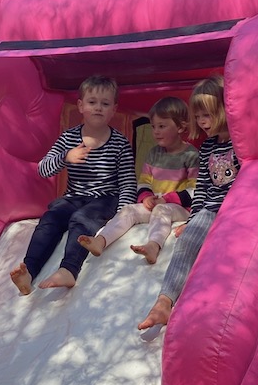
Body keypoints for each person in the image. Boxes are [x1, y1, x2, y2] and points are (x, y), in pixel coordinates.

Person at [10, 75, 137, 294]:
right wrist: (65, 157)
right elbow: (43, 169)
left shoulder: (119, 143)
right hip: (75, 196)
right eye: (92, 102)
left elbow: (127, 181)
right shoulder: (68, 138)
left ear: (114, 109)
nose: (98, 108)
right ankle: (29, 271)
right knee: (51, 218)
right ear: (80, 106)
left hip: (105, 198)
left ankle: (69, 269)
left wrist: (122, 214)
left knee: (81, 219)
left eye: (105, 103)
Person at [137, 75, 240, 330]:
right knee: (186, 242)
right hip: (210, 210)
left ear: (225, 109)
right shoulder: (207, 148)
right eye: (198, 116)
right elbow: (202, 188)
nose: (203, 121)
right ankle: (164, 302)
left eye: (208, 115)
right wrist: (193, 220)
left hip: (235, 210)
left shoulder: (240, 143)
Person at [77, 96, 199, 265]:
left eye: (162, 126)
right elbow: (144, 181)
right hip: (156, 204)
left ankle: (153, 246)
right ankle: (100, 241)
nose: (156, 131)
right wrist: (146, 197)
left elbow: (195, 191)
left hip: (181, 208)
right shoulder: (154, 153)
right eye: (153, 126)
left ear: (180, 127)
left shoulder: (191, 155)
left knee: (162, 209)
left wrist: (167, 199)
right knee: (129, 210)